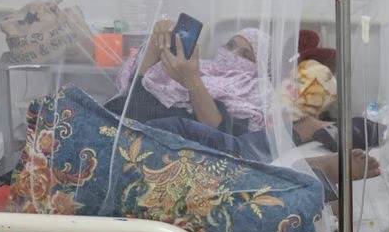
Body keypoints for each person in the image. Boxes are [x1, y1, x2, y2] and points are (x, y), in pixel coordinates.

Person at [107, 20, 272, 161]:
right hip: (124, 121)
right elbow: (138, 92)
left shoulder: (253, 90)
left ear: (260, 67)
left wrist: (191, 79)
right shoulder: (198, 65)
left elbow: (222, 138)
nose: (233, 54)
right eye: (230, 46)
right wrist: (156, 43)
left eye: (245, 55)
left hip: (160, 144)